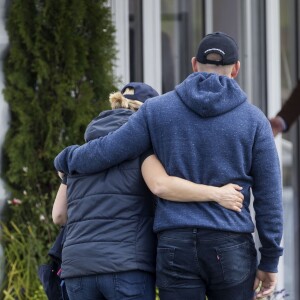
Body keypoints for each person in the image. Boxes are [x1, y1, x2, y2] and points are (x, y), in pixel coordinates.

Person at [54, 32, 283, 300]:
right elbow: (270, 197)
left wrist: (66, 158)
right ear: (236, 69)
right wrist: (269, 260)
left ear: (194, 64)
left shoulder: (157, 109)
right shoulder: (254, 120)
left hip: (175, 245)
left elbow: (109, 150)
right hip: (230, 243)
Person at [52, 81, 244, 300]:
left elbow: (58, 215)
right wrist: (217, 194)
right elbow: (161, 185)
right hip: (126, 268)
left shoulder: (79, 157)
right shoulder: (143, 149)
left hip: (77, 270)